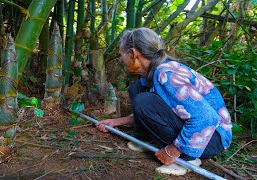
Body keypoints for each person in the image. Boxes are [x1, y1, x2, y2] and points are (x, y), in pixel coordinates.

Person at [96, 28, 232, 176]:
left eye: (121, 55)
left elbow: (206, 118)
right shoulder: (153, 73)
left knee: (144, 100)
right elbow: (165, 111)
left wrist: (173, 150)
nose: (121, 60)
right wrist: (116, 122)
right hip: (203, 131)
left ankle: (187, 157)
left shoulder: (167, 75)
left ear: (133, 54)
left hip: (210, 138)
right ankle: (149, 138)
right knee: (138, 89)